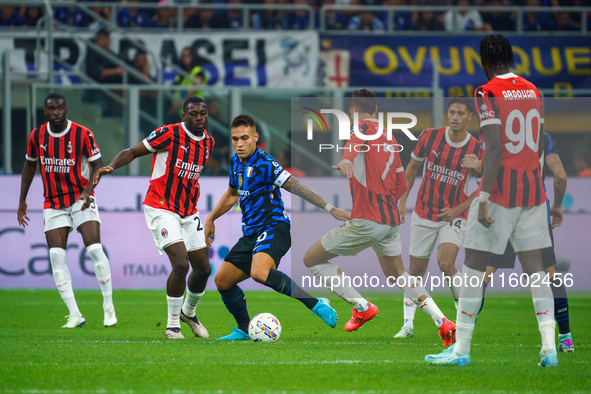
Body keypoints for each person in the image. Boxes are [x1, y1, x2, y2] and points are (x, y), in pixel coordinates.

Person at [425, 34, 557, 367]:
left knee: (472, 269)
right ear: (510, 57)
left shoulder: (487, 92)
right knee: (536, 271)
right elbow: (539, 142)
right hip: (533, 193)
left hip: (500, 194)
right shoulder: (533, 90)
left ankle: (461, 351)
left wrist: (482, 196)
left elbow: (495, 147)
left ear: (483, 60)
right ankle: (549, 348)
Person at [302, 89, 456, 346]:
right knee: (399, 276)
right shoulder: (389, 137)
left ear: (353, 110)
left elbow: (354, 144)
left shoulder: (360, 128)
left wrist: (346, 159)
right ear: (375, 108)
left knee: (312, 259)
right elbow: (400, 183)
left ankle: (361, 306)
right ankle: (443, 322)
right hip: (390, 221)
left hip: (367, 220)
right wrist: (391, 203)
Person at [204, 115, 349, 341]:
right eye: (235, 139)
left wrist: (330, 208)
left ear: (255, 137)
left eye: (244, 138)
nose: (239, 143)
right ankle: (244, 329)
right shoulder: (235, 162)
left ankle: (316, 303)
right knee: (222, 280)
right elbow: (232, 195)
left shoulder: (266, 163)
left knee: (259, 273)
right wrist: (211, 218)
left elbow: (297, 187)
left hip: (274, 226)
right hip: (251, 233)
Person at [93, 97, 213, 339]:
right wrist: (111, 166)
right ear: (184, 116)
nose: (199, 117)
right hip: (160, 206)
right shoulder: (168, 134)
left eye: (203, 113)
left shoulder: (208, 142)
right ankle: (172, 326)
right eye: (193, 113)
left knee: (203, 268)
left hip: (188, 211)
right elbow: (133, 151)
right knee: (181, 264)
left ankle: (188, 313)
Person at [462, 131, 574, 353]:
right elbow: (560, 176)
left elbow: (497, 172)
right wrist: (557, 206)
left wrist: (478, 165)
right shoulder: (542, 137)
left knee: (482, 276)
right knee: (547, 275)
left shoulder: (496, 135)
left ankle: (463, 339)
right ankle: (565, 337)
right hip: (534, 211)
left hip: (502, 210)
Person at [17, 93, 117, 329]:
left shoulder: (83, 133)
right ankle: (75, 314)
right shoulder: (37, 135)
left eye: (60, 108)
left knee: (94, 250)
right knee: (56, 257)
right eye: (52, 108)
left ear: (66, 109)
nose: (56, 112)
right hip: (52, 202)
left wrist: (87, 191)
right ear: (45, 112)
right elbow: (30, 165)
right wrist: (22, 200)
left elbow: (97, 166)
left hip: (80, 198)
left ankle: (108, 307)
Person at [393, 97, 481, 339]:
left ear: (469, 117)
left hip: (454, 215)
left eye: (460, 113)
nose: (455, 117)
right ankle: (408, 326)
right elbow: (411, 169)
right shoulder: (429, 137)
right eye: (451, 112)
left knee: (446, 263)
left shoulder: (476, 148)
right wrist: (402, 201)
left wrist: (458, 208)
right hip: (423, 212)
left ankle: (463, 315)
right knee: (415, 271)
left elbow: (484, 188)